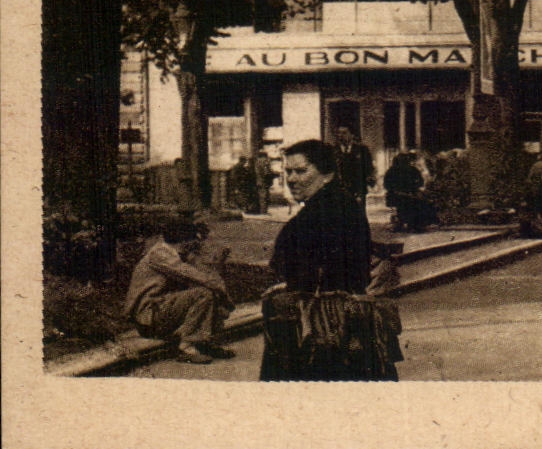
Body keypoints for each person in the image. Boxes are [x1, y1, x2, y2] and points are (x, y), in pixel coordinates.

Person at [261, 139, 401, 381]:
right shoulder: (333, 204)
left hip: (325, 326)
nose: (292, 179)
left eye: (301, 171)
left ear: (327, 174)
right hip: (336, 320)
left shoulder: (328, 210)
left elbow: (321, 270)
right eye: (288, 172)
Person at [124, 218, 234, 364]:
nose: (195, 244)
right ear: (184, 240)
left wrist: (219, 288)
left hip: (163, 311)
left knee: (209, 292)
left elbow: (207, 274)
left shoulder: (177, 254)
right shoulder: (160, 254)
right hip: (149, 317)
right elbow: (195, 276)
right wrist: (224, 295)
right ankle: (186, 348)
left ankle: (206, 342)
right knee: (203, 294)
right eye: (193, 240)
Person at [384, 152, 438, 233]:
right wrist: (398, 190)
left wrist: (414, 188)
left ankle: (418, 223)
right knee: (408, 202)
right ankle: (409, 223)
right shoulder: (392, 171)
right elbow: (387, 185)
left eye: (406, 160)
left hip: (411, 193)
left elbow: (420, 182)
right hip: (396, 194)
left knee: (422, 201)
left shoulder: (412, 170)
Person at [333, 125, 375, 202]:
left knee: (358, 212)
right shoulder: (333, 150)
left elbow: (369, 167)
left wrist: (369, 180)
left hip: (358, 189)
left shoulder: (362, 149)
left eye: (344, 133)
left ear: (352, 135)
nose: (340, 136)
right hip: (339, 190)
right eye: (338, 133)